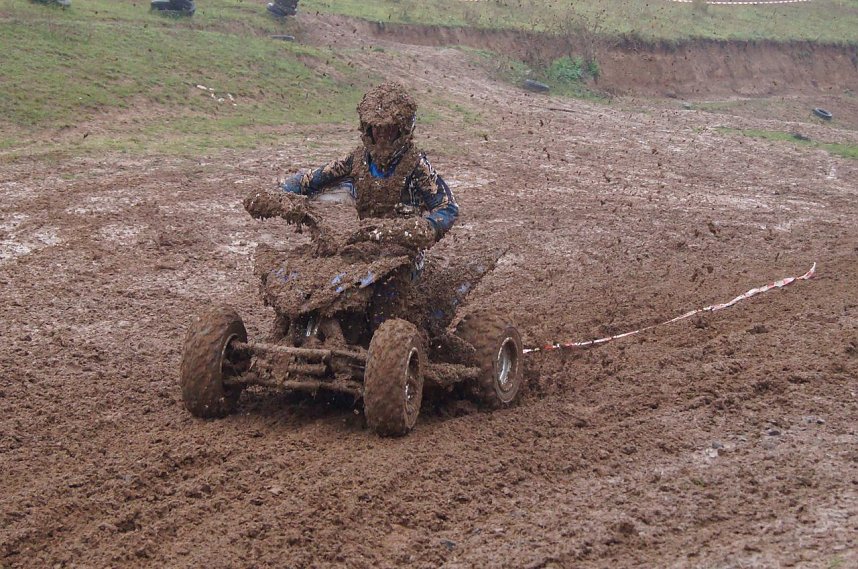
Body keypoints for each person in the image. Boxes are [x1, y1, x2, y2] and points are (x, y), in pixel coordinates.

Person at [278, 81, 458, 251]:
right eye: (375, 128)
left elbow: (447, 207)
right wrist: (281, 193)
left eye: (389, 128)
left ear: (403, 128)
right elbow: (310, 180)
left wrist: (426, 227)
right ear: (366, 128)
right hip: (366, 243)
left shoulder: (417, 165)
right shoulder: (356, 160)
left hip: (405, 250)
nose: (381, 135)